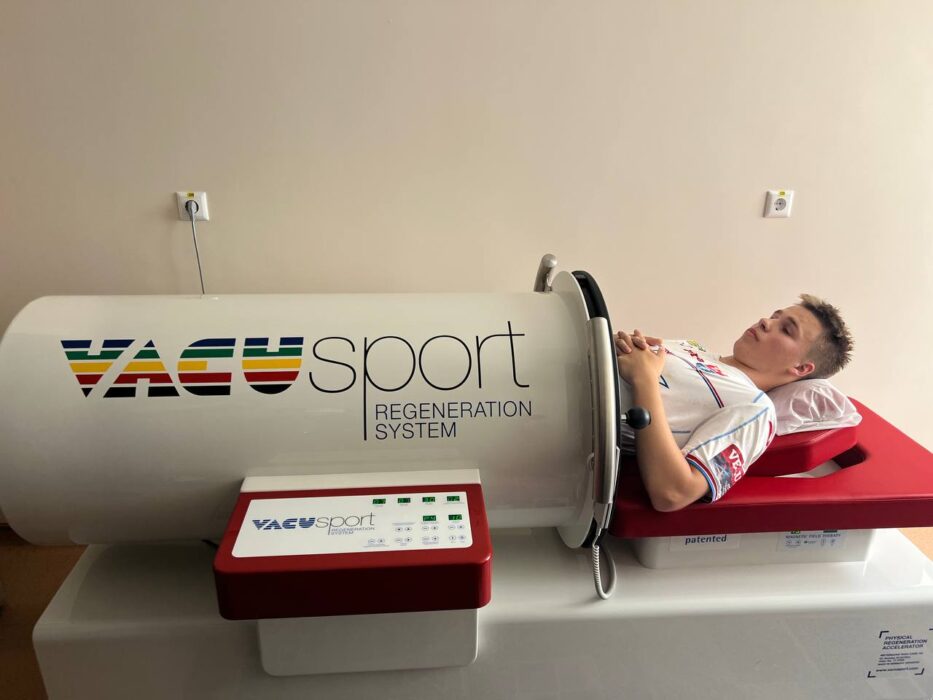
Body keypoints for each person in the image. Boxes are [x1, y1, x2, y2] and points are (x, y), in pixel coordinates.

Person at [614, 294, 853, 512]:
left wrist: (644, 378)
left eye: (786, 330)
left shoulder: (755, 408)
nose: (765, 322)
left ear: (800, 368)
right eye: (774, 316)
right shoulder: (693, 347)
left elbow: (674, 493)